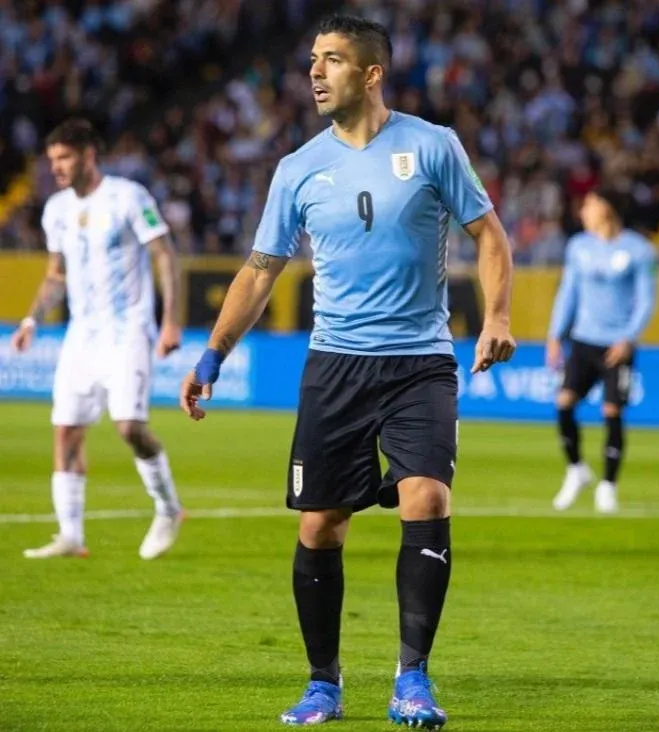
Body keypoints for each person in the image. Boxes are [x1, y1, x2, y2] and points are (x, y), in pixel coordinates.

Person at [180, 15, 515, 729]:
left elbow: (489, 233)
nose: (314, 71)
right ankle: (322, 683)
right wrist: (212, 353)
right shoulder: (298, 168)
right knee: (321, 526)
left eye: (331, 59)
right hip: (335, 364)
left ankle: (412, 678)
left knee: (426, 496)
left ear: (370, 74)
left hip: (420, 361)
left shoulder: (432, 146)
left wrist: (496, 316)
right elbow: (259, 271)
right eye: (312, 58)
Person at [12, 118, 184, 560]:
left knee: (129, 426)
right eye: (52, 160)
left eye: (64, 158)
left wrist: (170, 321)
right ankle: (70, 535)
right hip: (81, 335)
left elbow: (164, 255)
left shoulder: (128, 197)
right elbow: (56, 274)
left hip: (128, 330)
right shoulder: (56, 209)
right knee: (66, 430)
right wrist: (31, 319)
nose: (56, 167)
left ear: (89, 155)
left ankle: (168, 508)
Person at [546, 187, 658, 514]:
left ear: (607, 209)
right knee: (564, 403)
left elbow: (647, 300)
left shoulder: (639, 250)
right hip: (583, 340)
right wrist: (555, 335)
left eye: (589, 205)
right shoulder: (578, 246)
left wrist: (629, 338)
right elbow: (568, 292)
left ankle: (608, 485)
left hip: (616, 345)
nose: (583, 211)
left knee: (612, 411)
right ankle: (576, 469)